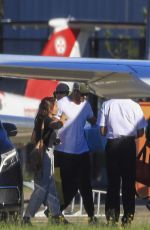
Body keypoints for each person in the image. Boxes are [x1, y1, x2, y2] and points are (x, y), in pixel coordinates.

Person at [96, 99, 146, 227]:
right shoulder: (135, 105)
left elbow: (101, 131)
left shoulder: (106, 104)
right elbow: (141, 132)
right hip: (128, 145)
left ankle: (112, 217)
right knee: (128, 183)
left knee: (113, 183)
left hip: (112, 145)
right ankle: (128, 217)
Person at [54, 82, 97, 224]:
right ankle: (55, 213)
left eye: (86, 95)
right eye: (82, 94)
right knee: (68, 187)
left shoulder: (86, 105)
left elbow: (92, 119)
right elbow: (52, 121)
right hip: (64, 152)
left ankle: (91, 216)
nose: (84, 97)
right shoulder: (61, 103)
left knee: (86, 185)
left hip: (82, 151)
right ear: (75, 92)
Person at [23, 97, 68, 225]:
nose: (58, 108)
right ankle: (27, 217)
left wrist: (55, 141)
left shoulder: (41, 119)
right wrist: (63, 118)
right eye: (56, 105)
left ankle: (56, 216)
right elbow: (57, 125)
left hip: (47, 154)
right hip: (45, 156)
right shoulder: (47, 119)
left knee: (52, 187)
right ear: (50, 107)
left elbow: (41, 136)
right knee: (42, 188)